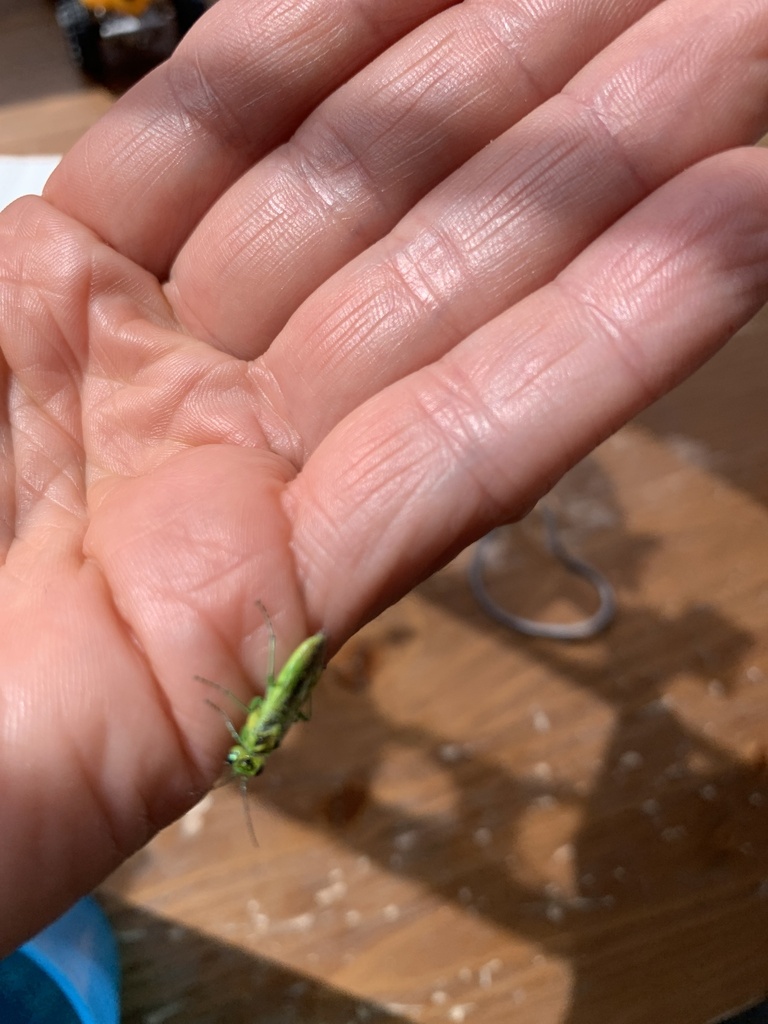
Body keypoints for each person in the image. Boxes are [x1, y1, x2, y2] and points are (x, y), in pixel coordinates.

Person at [1, 0, 766, 955]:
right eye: (248, 751)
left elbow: (253, 706)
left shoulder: (236, 725)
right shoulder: (216, 718)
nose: (244, 750)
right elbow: (257, 701)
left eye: (247, 750)